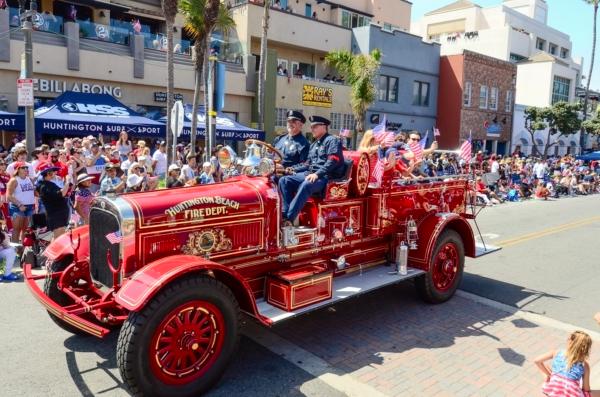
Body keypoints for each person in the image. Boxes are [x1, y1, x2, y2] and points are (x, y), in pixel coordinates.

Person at [279, 116, 344, 225]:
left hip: (326, 177)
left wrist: (317, 174)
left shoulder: (332, 140)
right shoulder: (314, 144)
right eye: (311, 127)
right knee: (284, 180)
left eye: (315, 127)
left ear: (324, 127)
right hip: (310, 173)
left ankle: (288, 219)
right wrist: (291, 169)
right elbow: (307, 164)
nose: (312, 129)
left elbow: (333, 160)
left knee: (307, 184)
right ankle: (285, 213)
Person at [534, 330, 598, 397]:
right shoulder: (584, 365)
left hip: (553, 390)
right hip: (572, 394)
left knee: (545, 367)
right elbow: (586, 388)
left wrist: (550, 375)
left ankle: (550, 380)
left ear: (569, 341)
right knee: (590, 393)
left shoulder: (556, 352)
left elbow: (537, 361)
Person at [35, 163, 72, 240]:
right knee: (58, 236)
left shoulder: (50, 184)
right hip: (55, 214)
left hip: (59, 213)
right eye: (52, 172)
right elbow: (61, 193)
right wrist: (68, 181)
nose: (54, 173)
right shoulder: (44, 186)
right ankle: (54, 252)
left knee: (60, 235)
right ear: (47, 173)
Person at [6, 162, 35, 244]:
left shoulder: (29, 179)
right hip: (17, 207)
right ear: (17, 169)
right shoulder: (14, 180)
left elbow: (34, 193)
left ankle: (23, 249)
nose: (26, 169)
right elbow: (8, 196)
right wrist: (19, 205)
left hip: (29, 206)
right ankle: (15, 251)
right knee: (17, 229)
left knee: (26, 229)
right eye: (23, 167)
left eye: (27, 167)